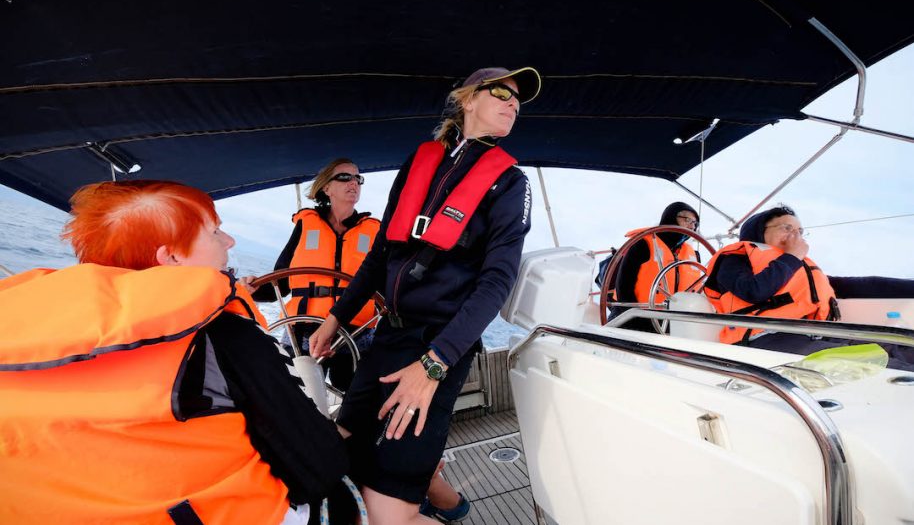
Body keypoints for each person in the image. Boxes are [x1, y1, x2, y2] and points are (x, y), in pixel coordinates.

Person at [0, 180, 347, 525]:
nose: (229, 241)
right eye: (214, 232)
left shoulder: (16, 323)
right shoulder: (226, 336)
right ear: (172, 257)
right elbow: (316, 468)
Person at [309, 66, 540, 524]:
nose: (513, 103)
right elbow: (379, 256)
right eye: (501, 92)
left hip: (438, 348)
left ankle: (431, 495)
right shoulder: (421, 163)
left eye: (518, 99)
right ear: (468, 99)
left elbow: (496, 281)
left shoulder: (510, 183)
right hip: (385, 341)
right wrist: (335, 319)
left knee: (387, 515)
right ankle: (437, 488)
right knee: (337, 459)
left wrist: (434, 365)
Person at [703, 204, 914, 369]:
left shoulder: (798, 267)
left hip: (811, 333)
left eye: (800, 230)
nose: (796, 236)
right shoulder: (735, 259)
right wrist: (793, 256)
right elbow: (754, 290)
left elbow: (859, 285)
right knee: (876, 364)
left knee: (895, 347)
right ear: (759, 233)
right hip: (763, 339)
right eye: (787, 228)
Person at [250, 158, 380, 390]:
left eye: (358, 178)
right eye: (344, 177)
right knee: (293, 397)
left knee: (355, 403)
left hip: (355, 332)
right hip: (303, 330)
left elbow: (384, 285)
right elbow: (280, 284)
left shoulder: (374, 232)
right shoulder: (305, 225)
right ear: (326, 187)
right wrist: (251, 287)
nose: (354, 183)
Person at [601, 202, 702, 330]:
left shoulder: (693, 255)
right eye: (687, 219)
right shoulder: (643, 244)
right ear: (670, 217)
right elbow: (623, 285)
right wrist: (634, 316)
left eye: (695, 223)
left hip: (672, 322)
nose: (692, 226)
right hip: (633, 316)